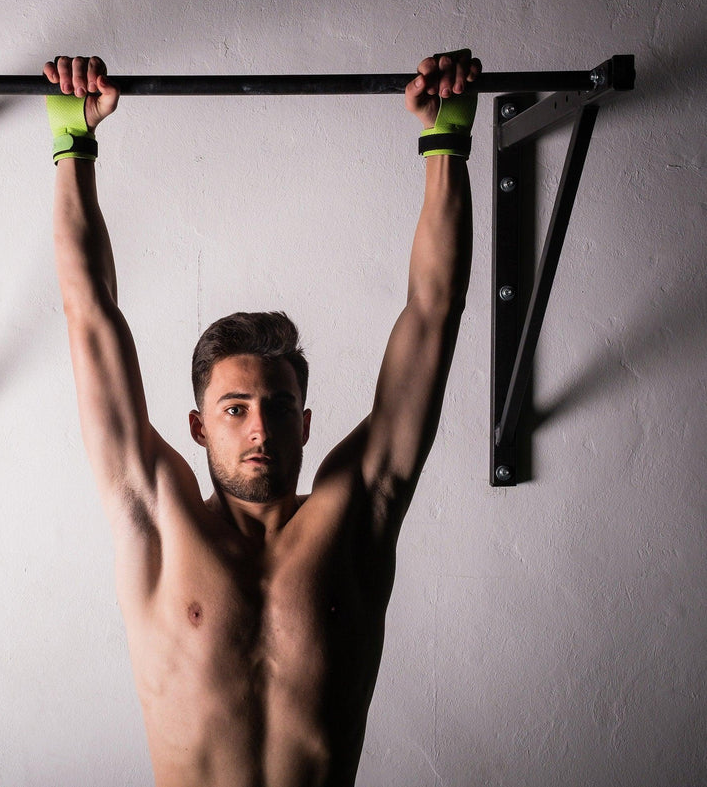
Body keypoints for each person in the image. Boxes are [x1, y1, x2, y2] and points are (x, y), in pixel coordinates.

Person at [44, 50, 480, 786]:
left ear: (307, 423)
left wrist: (446, 142)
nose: (260, 428)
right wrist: (71, 143)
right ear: (197, 425)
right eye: (235, 408)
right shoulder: (158, 516)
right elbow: (90, 315)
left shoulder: (356, 514)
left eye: (279, 407)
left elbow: (433, 315)